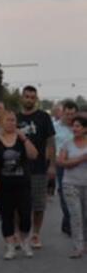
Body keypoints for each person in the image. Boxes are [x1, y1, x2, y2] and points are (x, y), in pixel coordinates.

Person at [0, 111, 39, 260]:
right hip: (4, 185)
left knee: (25, 214)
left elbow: (33, 155)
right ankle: (10, 246)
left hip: (22, 184)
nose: (11, 123)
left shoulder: (22, 138)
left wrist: (24, 139)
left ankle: (25, 241)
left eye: (13, 120)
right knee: (6, 216)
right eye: (8, 120)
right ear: (1, 122)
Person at [17, 86, 56, 250]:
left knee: (38, 205)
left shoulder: (44, 117)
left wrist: (52, 165)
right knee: (18, 205)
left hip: (39, 167)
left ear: (36, 99)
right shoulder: (15, 118)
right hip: (17, 168)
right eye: (27, 96)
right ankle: (19, 235)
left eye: (32, 97)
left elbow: (51, 142)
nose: (29, 100)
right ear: (22, 98)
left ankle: (35, 234)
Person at [57, 114, 87, 258]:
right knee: (76, 216)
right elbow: (62, 163)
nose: (74, 129)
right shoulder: (67, 144)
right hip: (70, 185)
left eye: (78, 126)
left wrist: (73, 161)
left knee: (85, 216)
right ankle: (78, 247)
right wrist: (81, 158)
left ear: (85, 129)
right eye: (73, 126)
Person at [55, 100, 79, 236]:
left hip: (78, 164)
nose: (69, 116)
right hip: (61, 165)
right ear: (62, 113)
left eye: (72, 114)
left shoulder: (79, 127)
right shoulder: (55, 127)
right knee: (64, 194)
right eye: (67, 113)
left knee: (77, 194)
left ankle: (69, 222)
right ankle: (69, 221)